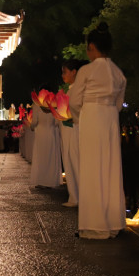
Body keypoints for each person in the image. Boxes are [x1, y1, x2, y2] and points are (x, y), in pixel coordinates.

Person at [69, 23, 127, 239]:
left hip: (92, 117)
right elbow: (119, 104)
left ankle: (94, 224)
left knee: (92, 167)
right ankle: (113, 221)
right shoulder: (118, 73)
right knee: (111, 167)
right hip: (111, 118)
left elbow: (74, 101)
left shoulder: (87, 70)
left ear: (91, 47)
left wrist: (79, 117)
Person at [60, 59, 87, 207]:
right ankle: (74, 195)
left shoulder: (78, 90)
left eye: (65, 72)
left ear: (74, 72)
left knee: (75, 162)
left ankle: (78, 197)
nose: (63, 75)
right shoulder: (71, 90)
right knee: (70, 162)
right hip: (68, 130)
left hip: (74, 130)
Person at [29, 83, 62, 188]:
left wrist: (31, 127)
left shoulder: (37, 106)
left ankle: (41, 180)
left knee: (41, 157)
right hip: (51, 132)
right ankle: (51, 181)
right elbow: (57, 122)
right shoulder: (55, 105)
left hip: (40, 133)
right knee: (51, 157)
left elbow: (34, 122)